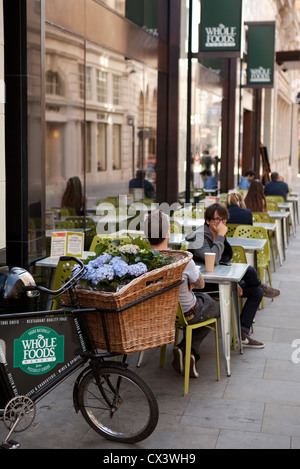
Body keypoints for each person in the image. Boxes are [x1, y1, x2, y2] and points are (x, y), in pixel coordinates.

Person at [185, 203, 281, 349]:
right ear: (208, 221)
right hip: (204, 284)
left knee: (256, 291)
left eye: (224, 220)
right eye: (217, 219)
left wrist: (232, 281)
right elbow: (213, 258)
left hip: (217, 278)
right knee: (250, 272)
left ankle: (242, 333)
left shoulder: (215, 233)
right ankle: (259, 283)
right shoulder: (199, 237)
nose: (221, 223)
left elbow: (221, 263)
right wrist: (221, 236)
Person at [144, 209, 220, 378]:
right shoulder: (183, 259)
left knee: (200, 301)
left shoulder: (141, 260)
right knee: (214, 309)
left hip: (157, 313)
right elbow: (201, 284)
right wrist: (191, 282)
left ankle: (187, 351)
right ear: (168, 233)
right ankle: (188, 350)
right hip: (186, 313)